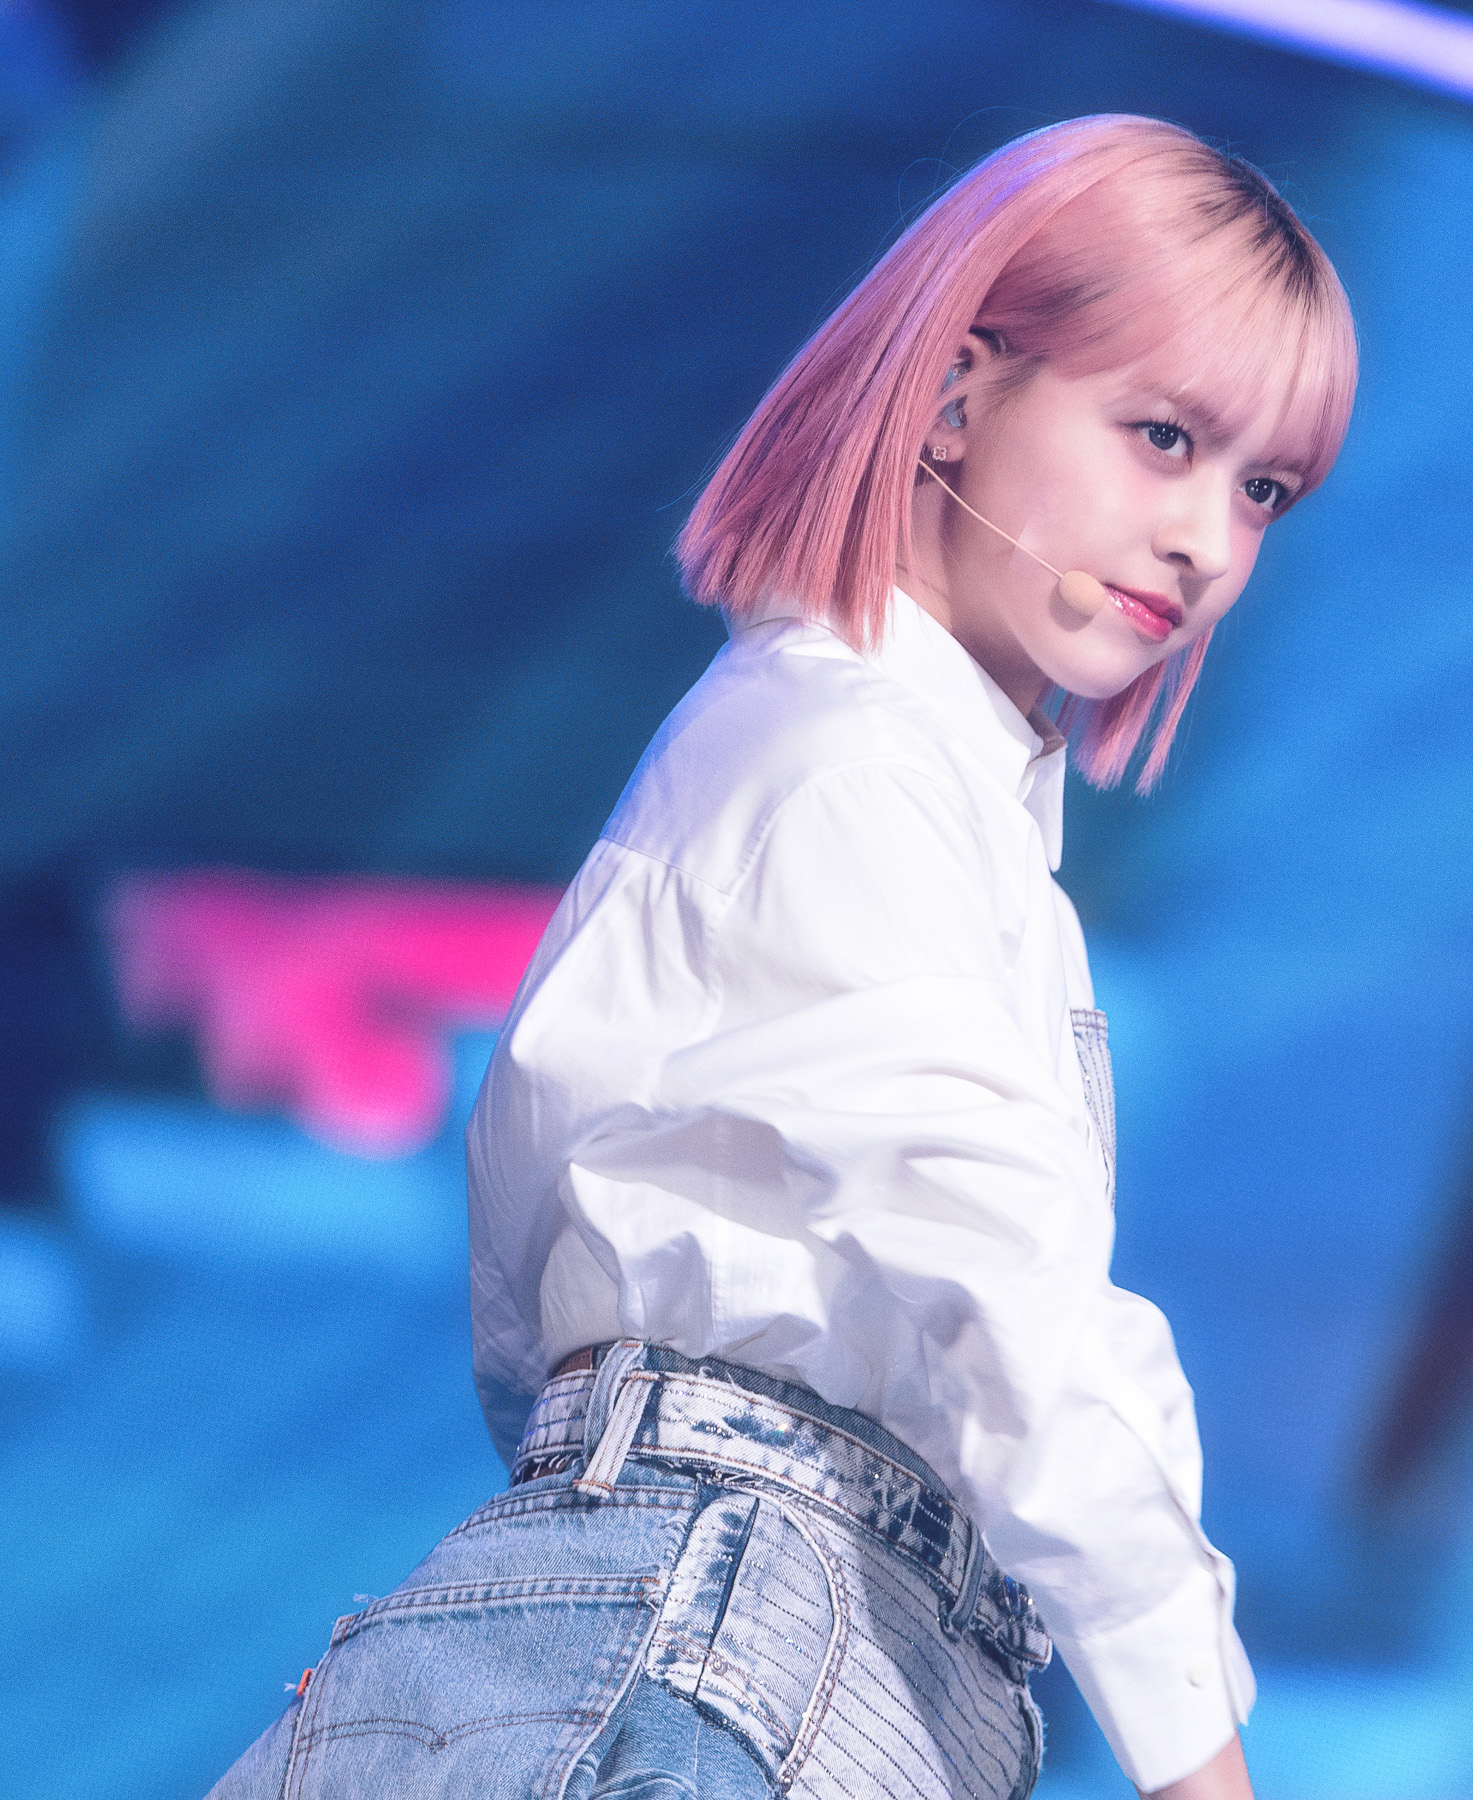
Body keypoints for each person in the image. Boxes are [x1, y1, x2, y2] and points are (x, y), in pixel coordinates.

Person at [206, 113, 1355, 1800]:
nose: (1209, 541)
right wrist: (1203, 1767)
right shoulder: (855, 764)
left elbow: (528, 1306)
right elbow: (1016, 1314)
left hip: (639, 1626)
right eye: (1162, 436)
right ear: (955, 390)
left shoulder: (851, 765)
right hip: (733, 1637)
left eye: (1262, 490)